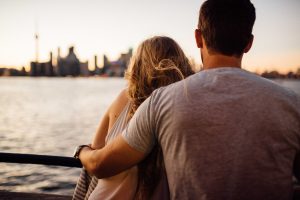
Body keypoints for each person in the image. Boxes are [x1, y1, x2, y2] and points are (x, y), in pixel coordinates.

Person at [78, 0, 300, 199]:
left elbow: (102, 164)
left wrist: (82, 152)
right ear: (249, 43)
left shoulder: (162, 101)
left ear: (198, 37)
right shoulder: (291, 103)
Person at [73, 36, 194, 200]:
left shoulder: (124, 99)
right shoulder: (186, 106)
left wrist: (81, 151)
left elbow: (95, 154)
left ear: (137, 66)